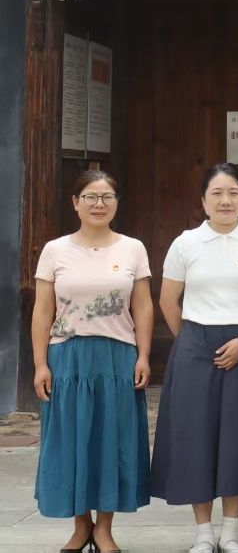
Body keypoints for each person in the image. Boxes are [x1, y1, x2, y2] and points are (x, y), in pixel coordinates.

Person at [151, 162, 238, 553]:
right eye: (217, 194)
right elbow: (168, 300)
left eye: (234, 193)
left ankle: (230, 531)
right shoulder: (186, 243)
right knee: (197, 437)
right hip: (195, 347)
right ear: (203, 200)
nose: (226, 201)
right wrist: (192, 341)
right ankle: (203, 533)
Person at [32, 171, 153, 553]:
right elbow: (42, 311)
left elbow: (143, 306)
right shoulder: (55, 250)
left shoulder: (132, 248)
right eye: (90, 197)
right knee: (72, 441)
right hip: (68, 359)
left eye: (107, 197)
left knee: (112, 441)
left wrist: (144, 355)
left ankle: (105, 528)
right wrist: (40, 364)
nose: (99, 204)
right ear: (75, 203)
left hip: (117, 358)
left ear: (117, 203)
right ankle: (81, 525)